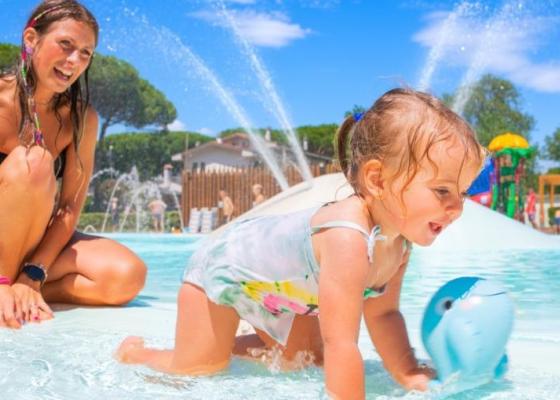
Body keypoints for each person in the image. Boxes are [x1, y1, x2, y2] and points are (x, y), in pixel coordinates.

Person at [116, 89, 484, 397]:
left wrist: (405, 371)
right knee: (200, 367)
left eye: (463, 193)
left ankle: (238, 337)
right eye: (442, 191)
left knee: (307, 359)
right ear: (378, 179)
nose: (457, 208)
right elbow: (344, 343)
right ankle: (139, 353)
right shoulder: (347, 237)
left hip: (283, 293)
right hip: (222, 272)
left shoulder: (399, 244)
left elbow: (383, 313)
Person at [0, 0, 146, 329]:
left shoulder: (81, 118)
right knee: (34, 160)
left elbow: (68, 209)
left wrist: (34, 274)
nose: (74, 61)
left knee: (127, 275)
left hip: (35, 244)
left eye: (85, 53)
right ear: (31, 39)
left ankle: (25, 290)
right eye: (66, 44)